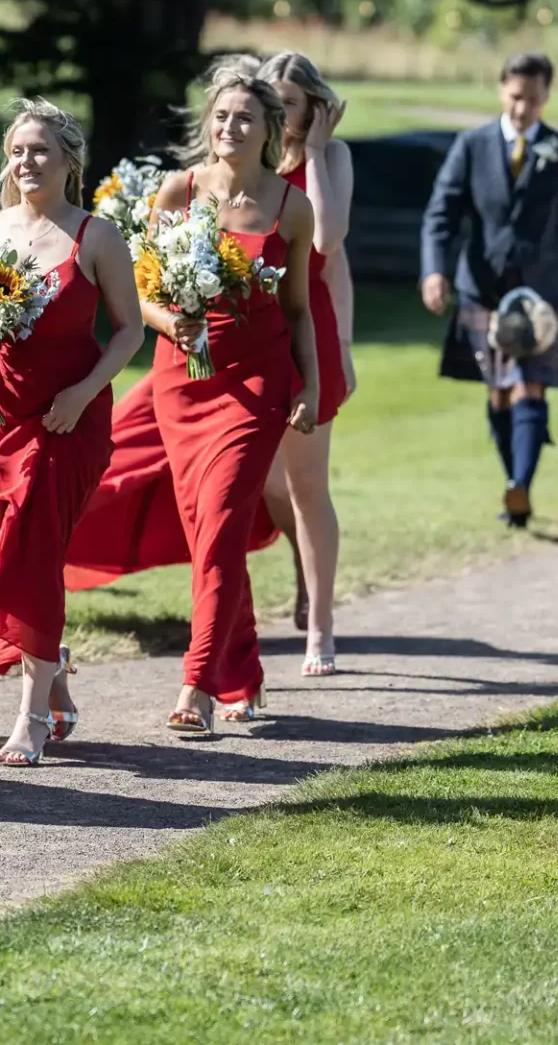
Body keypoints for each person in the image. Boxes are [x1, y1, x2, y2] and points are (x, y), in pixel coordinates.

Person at [0, 100, 143, 765]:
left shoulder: (95, 237)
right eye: (17, 150)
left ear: (70, 160)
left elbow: (127, 329)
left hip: (66, 420)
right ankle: (55, 673)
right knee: (0, 562)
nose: (27, 161)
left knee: (32, 554)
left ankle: (32, 717)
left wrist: (83, 392)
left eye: (41, 150)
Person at [152, 65, 320, 733]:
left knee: (221, 524)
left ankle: (196, 685)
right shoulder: (178, 191)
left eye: (246, 118)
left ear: (269, 129)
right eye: (221, 117)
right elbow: (142, 293)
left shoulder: (291, 207)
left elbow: (300, 310)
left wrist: (308, 385)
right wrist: (173, 323)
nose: (231, 128)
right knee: (207, 537)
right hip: (182, 380)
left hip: (255, 382)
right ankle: (244, 673)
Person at [419, 51, 558, 530]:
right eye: (517, 95)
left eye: (535, 98)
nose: (524, 108)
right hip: (483, 289)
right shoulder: (472, 145)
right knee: (498, 394)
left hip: (542, 293)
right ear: (502, 89)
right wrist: (434, 272)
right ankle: (514, 483)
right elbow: (441, 216)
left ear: (548, 97)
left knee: (528, 385)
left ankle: (520, 484)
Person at [252, 52, 352, 675]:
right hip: (253, 330)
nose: (280, 112)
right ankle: (299, 560)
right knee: (265, 484)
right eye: (273, 100)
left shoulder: (333, 159)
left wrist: (315, 151)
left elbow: (327, 243)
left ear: (313, 105)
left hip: (306, 326)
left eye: (290, 101)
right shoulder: (248, 156)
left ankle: (322, 625)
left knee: (309, 486)